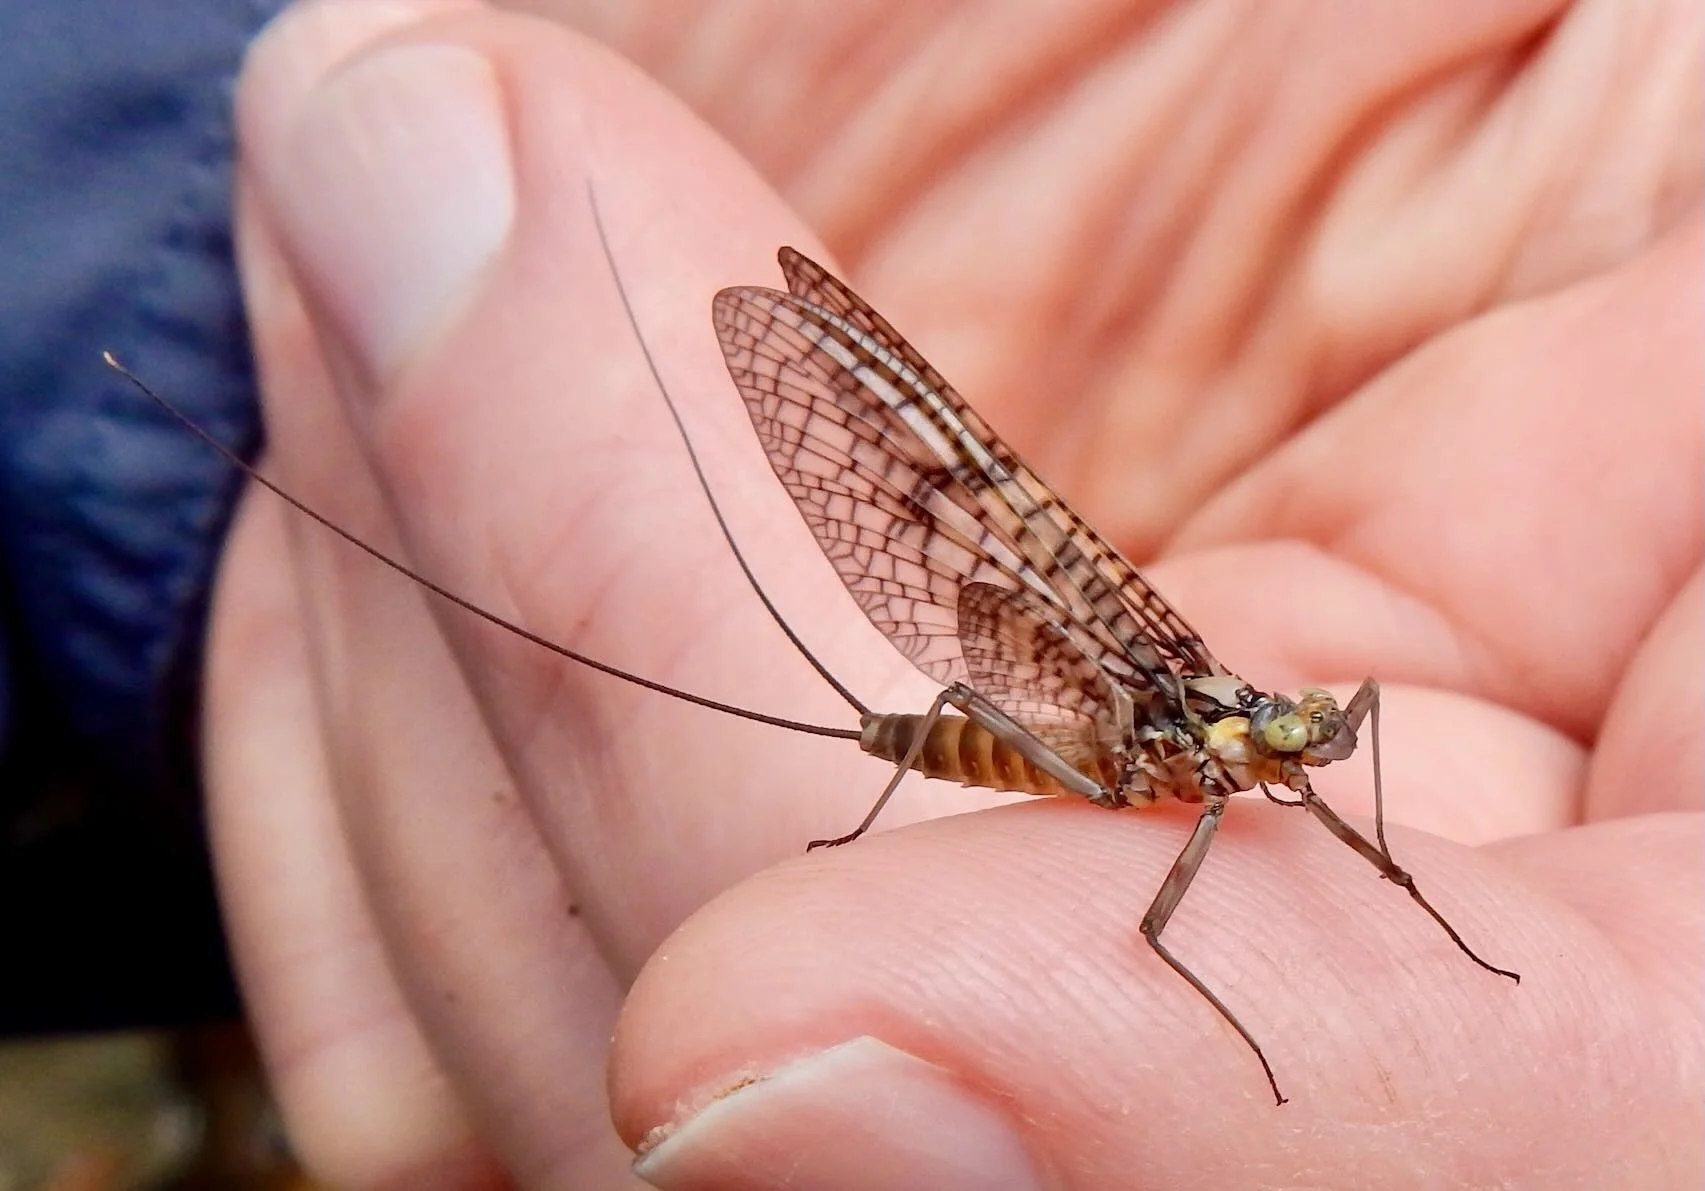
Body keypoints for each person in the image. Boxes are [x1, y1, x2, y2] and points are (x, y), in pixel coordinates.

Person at [62, 0, 1705, 1186]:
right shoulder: (1189, 757)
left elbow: (1343, 801)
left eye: (1302, 732)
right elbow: (1150, 917)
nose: (1308, 742)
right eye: (1292, 728)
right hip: (1010, 724)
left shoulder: (1256, 779)